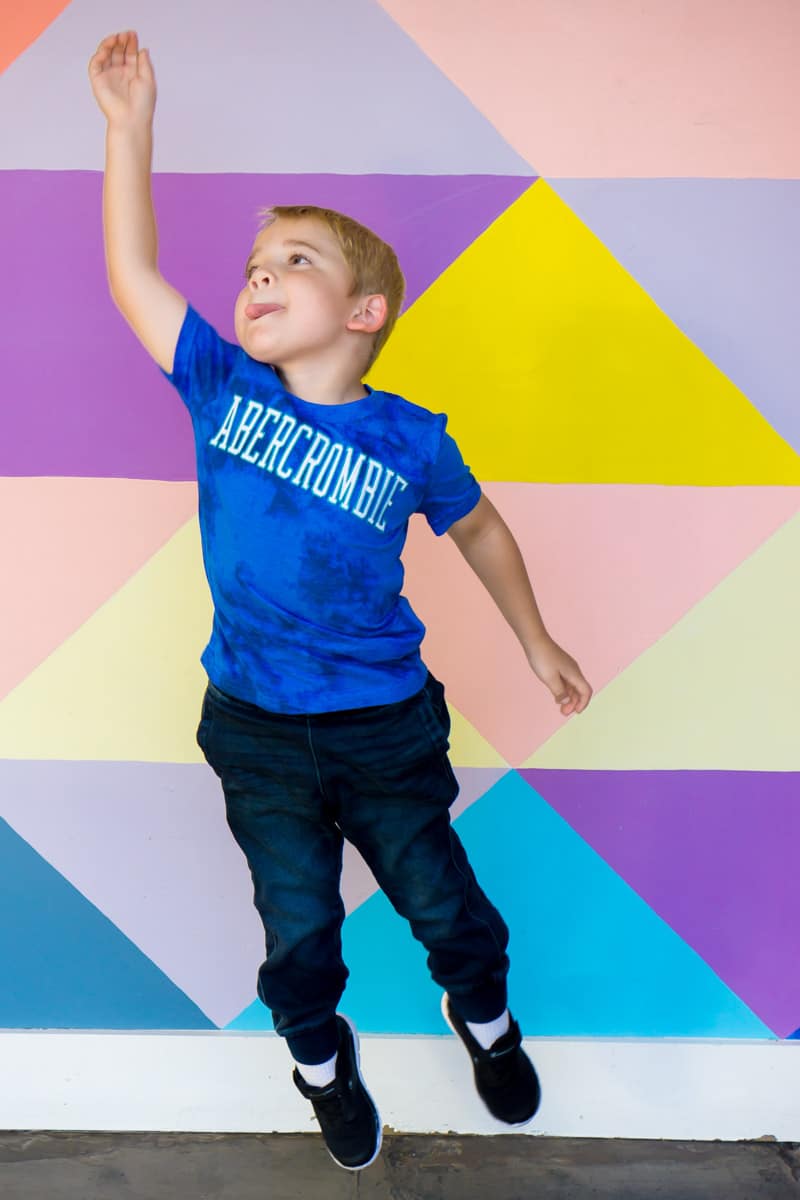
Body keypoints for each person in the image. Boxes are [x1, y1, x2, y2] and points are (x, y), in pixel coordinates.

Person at [88, 30, 593, 1172]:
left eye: (296, 261)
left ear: (364, 313)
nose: (260, 273)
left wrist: (535, 639)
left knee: (448, 914)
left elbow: (479, 527)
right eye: (256, 263)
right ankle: (322, 1065)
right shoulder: (222, 390)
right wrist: (130, 131)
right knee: (299, 939)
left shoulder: (408, 436)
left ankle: (488, 1025)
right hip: (256, 732)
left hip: (382, 728)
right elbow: (132, 277)